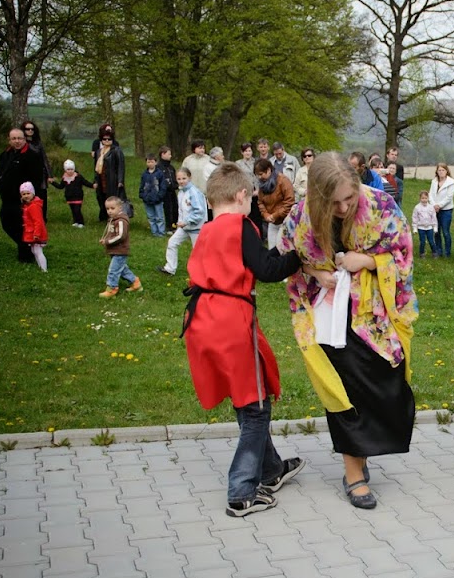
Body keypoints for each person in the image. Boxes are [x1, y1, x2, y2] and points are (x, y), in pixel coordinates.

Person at [280, 152, 418, 509]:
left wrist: (368, 261)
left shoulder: (382, 207)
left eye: (349, 199)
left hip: (375, 317)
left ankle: (362, 452)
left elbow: (404, 255)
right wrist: (315, 272)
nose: (342, 208)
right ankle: (353, 473)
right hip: (329, 318)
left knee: (385, 384)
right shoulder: (302, 216)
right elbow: (287, 257)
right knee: (345, 391)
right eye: (333, 202)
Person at [181, 163, 305, 516]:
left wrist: (282, 253)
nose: (252, 201)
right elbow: (266, 270)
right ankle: (241, 490)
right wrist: (299, 256)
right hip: (230, 320)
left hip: (202, 319)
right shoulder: (241, 225)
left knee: (246, 397)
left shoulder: (207, 230)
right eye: (250, 196)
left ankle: (271, 469)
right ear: (240, 195)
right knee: (255, 406)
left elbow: (244, 263)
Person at [0, 127, 49, 263]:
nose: (17, 141)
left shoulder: (32, 156)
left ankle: (26, 254)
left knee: (21, 226)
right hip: (7, 198)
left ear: (24, 139)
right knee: (7, 223)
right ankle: (28, 246)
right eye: (14, 139)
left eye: (20, 138)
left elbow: (37, 179)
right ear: (9, 140)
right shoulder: (5, 155)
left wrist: (31, 197)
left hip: (23, 199)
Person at [159, 167, 207, 276]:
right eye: (179, 179)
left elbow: (199, 212)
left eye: (184, 178)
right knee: (172, 243)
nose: (181, 181)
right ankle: (170, 269)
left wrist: (186, 221)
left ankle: (202, 273)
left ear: (189, 177)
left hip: (196, 228)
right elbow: (182, 210)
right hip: (184, 227)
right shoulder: (181, 192)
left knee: (198, 251)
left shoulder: (194, 192)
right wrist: (181, 222)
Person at [99, 196, 142, 298]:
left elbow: (121, 236)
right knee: (122, 269)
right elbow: (111, 233)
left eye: (112, 208)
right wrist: (105, 239)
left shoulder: (121, 221)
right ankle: (135, 283)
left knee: (113, 270)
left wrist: (107, 241)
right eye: (107, 209)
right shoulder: (112, 219)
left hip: (120, 250)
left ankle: (112, 288)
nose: (110, 211)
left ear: (120, 208)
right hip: (114, 249)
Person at [254, 157, 294, 249]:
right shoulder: (262, 184)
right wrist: (265, 214)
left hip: (284, 221)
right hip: (272, 221)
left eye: (261, 174)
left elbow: (289, 202)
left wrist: (275, 215)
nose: (259, 177)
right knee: (271, 249)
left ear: (268, 170)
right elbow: (260, 202)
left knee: (281, 249)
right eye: (257, 175)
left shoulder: (283, 181)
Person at [50, 160, 95, 227]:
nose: (70, 171)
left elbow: (85, 182)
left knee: (77, 210)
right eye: (68, 169)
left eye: (71, 169)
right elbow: (60, 186)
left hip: (78, 196)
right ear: (65, 170)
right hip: (69, 197)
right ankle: (76, 221)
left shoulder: (78, 177)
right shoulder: (64, 178)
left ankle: (81, 222)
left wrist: (92, 185)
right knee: (73, 210)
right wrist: (52, 182)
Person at [21, 120, 51, 218]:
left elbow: (44, 159)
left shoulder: (38, 143)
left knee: (41, 196)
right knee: (27, 195)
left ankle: (42, 217)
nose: (30, 131)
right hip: (26, 174)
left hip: (40, 174)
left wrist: (49, 174)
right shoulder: (21, 143)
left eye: (32, 129)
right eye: (27, 129)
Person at [20, 182, 48, 272]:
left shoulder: (34, 206)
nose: (26, 196)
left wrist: (37, 234)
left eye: (28, 193)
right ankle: (41, 268)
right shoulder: (28, 206)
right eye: (23, 194)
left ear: (33, 193)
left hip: (36, 233)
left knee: (38, 251)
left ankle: (44, 269)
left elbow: (38, 221)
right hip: (31, 232)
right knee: (35, 251)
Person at [429, 163, 454, 258]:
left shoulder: (451, 182)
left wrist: (439, 205)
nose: (441, 172)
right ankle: (438, 250)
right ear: (437, 171)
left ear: (446, 171)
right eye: (439, 170)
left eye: (443, 170)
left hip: (446, 210)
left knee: (445, 231)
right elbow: (430, 194)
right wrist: (434, 205)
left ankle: (447, 252)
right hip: (435, 209)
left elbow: (449, 197)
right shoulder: (434, 181)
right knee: (436, 231)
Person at [139, 154, 169, 237]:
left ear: (156, 162)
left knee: (159, 217)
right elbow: (142, 185)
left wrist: (160, 196)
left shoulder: (159, 174)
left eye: (152, 162)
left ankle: (161, 233)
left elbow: (163, 186)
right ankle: (154, 232)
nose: (150, 164)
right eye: (148, 162)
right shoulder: (144, 174)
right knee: (151, 217)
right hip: (147, 199)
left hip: (157, 199)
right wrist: (142, 195)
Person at [158, 146, 179, 234]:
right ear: (163, 154)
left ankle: (175, 225)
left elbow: (174, 178)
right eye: (169, 154)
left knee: (175, 208)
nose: (171, 156)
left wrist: (175, 185)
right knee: (167, 209)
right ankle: (168, 226)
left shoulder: (171, 168)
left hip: (172, 191)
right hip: (164, 192)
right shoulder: (158, 167)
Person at [412, 190, 437, 257]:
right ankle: (422, 253)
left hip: (429, 227)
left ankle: (434, 252)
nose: (424, 200)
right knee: (422, 241)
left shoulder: (431, 207)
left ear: (428, 198)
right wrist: (415, 228)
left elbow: (434, 218)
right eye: (422, 198)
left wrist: (435, 227)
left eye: (425, 198)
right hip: (421, 228)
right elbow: (415, 218)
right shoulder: (417, 207)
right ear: (420, 198)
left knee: (431, 241)